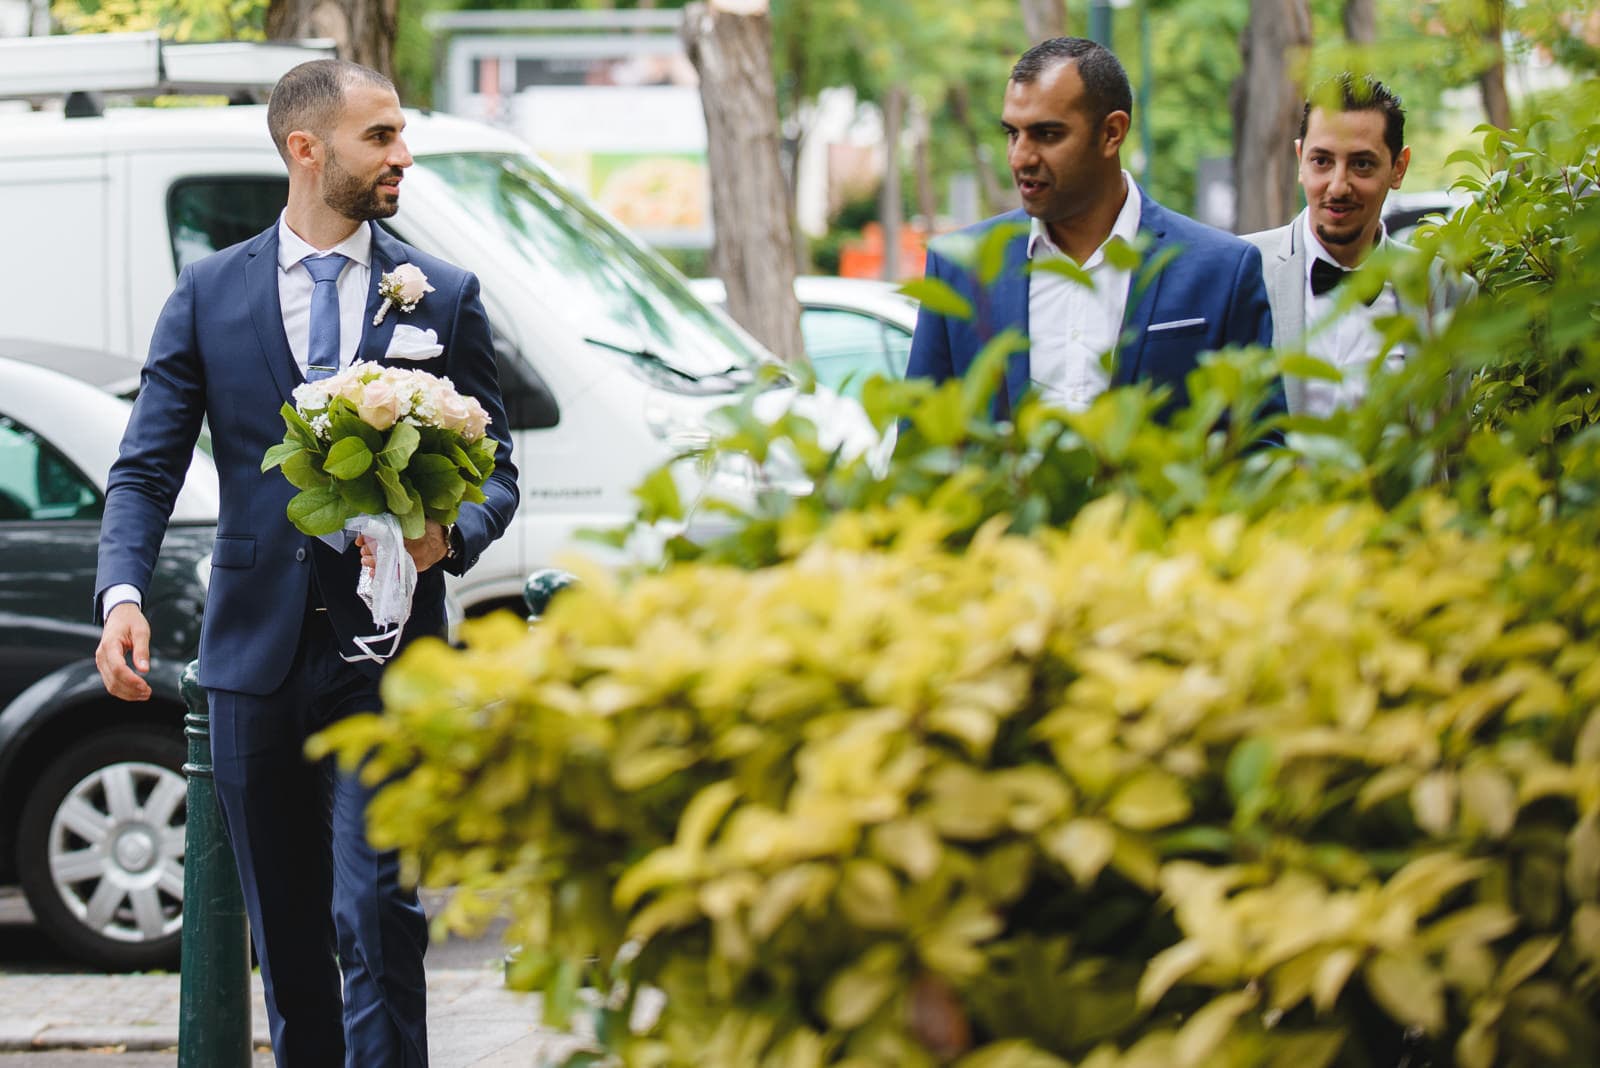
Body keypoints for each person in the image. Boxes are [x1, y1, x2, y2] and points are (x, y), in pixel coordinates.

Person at [93, 59, 519, 1067]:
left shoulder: (442, 295)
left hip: (393, 659)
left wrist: (448, 535)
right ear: (305, 149)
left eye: (401, 135)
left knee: (377, 913)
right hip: (255, 662)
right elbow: (146, 468)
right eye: (380, 137)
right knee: (285, 938)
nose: (401, 156)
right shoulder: (206, 295)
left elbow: (499, 470)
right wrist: (122, 593)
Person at [906, 37, 1279, 423]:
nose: (1020, 158)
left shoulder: (1221, 270)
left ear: (1112, 133)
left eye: (1047, 134)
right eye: (1012, 133)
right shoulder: (958, 269)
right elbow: (920, 443)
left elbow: (1258, 444)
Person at [1242, 74, 1474, 416]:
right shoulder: (1239, 272)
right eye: (1322, 161)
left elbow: (1455, 445)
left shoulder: (1448, 290)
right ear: (1300, 159)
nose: (1338, 186)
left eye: (1361, 164)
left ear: (1399, 168)